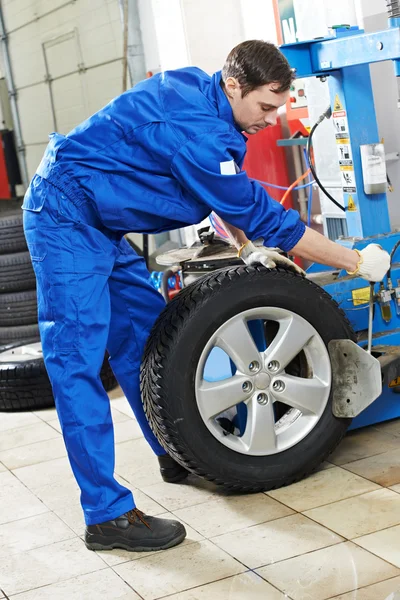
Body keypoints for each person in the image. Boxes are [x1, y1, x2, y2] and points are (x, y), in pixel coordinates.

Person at [22, 40, 390, 554]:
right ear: (234, 85)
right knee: (77, 361)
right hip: (67, 216)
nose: (269, 119)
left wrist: (244, 248)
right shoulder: (192, 128)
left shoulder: (211, 103)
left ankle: (173, 450)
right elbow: (263, 213)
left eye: (278, 108)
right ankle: (106, 516)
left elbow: (223, 190)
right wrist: (354, 261)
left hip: (105, 222)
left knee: (149, 340)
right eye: (264, 106)